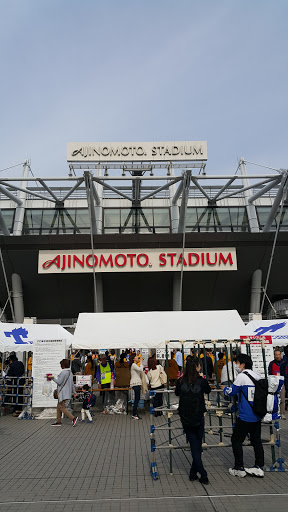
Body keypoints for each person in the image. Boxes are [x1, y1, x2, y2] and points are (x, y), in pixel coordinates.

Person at [223, 353, 264, 478]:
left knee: (236, 440)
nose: (236, 365)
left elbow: (232, 391)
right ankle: (259, 466)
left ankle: (239, 467)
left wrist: (225, 388)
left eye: (238, 363)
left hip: (245, 415)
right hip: (257, 414)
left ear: (243, 364)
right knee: (257, 441)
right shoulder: (257, 375)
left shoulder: (242, 376)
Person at [175, 358, 211, 484]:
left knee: (194, 444)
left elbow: (177, 393)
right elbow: (208, 390)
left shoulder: (181, 381)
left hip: (185, 416)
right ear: (196, 367)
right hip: (198, 415)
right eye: (199, 366)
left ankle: (192, 472)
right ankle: (203, 473)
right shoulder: (201, 381)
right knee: (197, 444)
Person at [49, 359, 78, 427]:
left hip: (62, 393)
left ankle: (73, 418)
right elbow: (72, 384)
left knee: (61, 407)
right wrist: (74, 392)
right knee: (59, 406)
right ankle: (58, 421)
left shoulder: (63, 373)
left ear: (63, 365)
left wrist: (52, 378)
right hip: (67, 393)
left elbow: (59, 382)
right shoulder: (70, 373)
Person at [129, 353, 143, 420]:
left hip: (136, 383)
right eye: (137, 356)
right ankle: (134, 414)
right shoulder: (134, 365)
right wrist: (141, 362)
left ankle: (135, 413)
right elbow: (141, 370)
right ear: (133, 358)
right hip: (135, 383)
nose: (138, 357)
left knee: (137, 399)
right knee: (137, 399)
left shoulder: (134, 365)